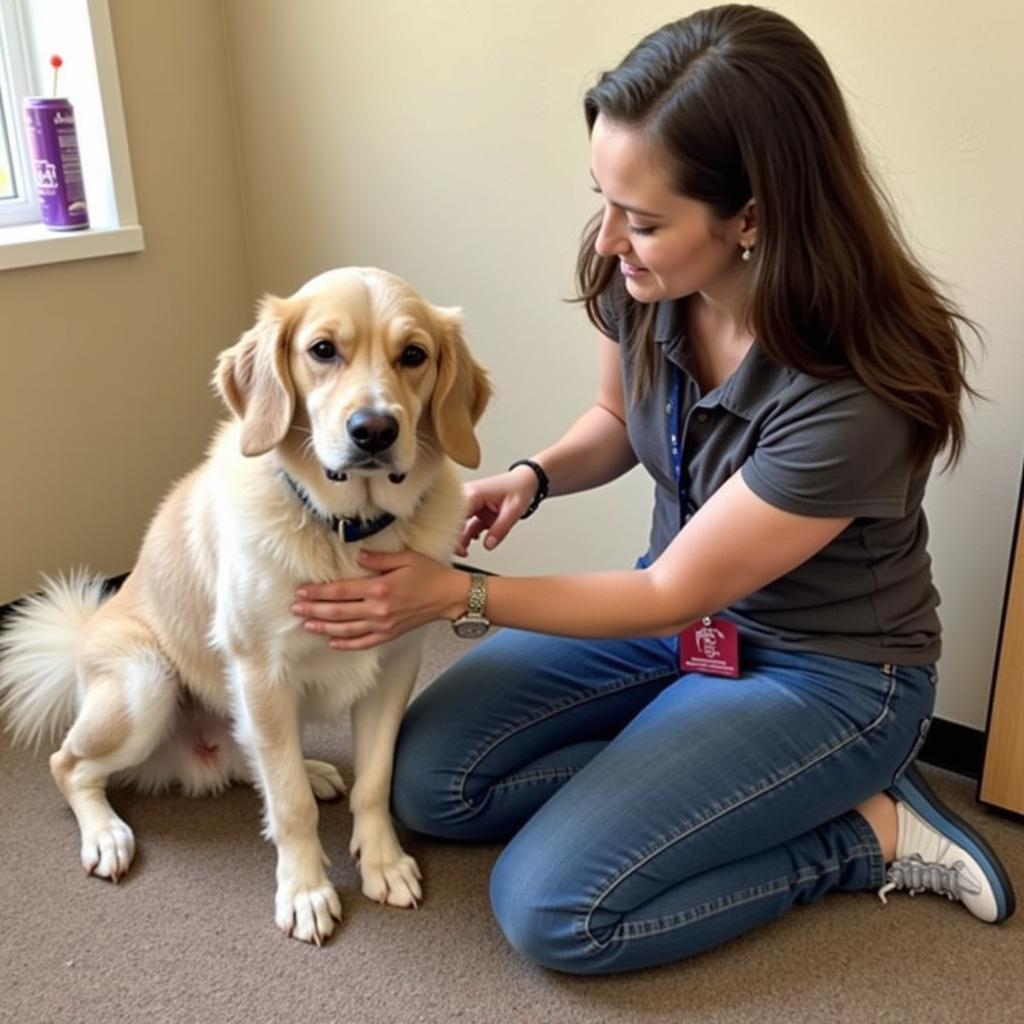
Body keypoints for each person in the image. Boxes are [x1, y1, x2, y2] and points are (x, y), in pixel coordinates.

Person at [290, 3, 1015, 973]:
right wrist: (530, 478)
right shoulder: (631, 275)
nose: (607, 238)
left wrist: (456, 591)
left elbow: (675, 589)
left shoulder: (858, 390)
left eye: (641, 219)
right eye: (602, 197)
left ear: (750, 217)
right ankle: (716, 777)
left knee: (555, 909)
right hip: (684, 624)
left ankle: (865, 831)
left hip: (828, 672)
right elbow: (614, 424)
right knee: (430, 786)